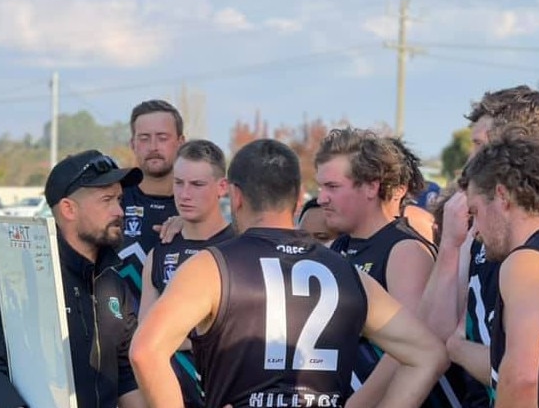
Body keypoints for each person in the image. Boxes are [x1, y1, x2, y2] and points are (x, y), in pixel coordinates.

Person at [130, 138, 448, 408]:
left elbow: (146, 351)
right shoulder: (346, 272)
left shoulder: (210, 267)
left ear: (235, 196)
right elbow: (428, 354)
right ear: (299, 199)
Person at [0, 150, 146, 408]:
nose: (119, 210)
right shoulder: (20, 280)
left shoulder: (114, 278)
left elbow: (125, 375)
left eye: (119, 199)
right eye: (106, 200)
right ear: (68, 209)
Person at [420, 85, 539, 407]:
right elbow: (433, 335)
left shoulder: (526, 256)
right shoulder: (479, 229)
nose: (470, 159)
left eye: (479, 145)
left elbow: (524, 377)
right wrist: (450, 245)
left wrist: (459, 348)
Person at [315, 127, 457, 407]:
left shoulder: (404, 251)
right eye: (320, 187)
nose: (321, 198)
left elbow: (408, 352)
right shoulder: (337, 248)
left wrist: (355, 404)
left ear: (371, 186)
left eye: (332, 187)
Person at [453, 133, 539, 407]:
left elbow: (524, 379)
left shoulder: (526, 263)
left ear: (502, 196)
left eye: (476, 212)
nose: (476, 230)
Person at [139, 139, 235, 408]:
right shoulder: (159, 254)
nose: (185, 194)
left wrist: (174, 337)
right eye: (178, 183)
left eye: (197, 185)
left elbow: (243, 337)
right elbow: (146, 337)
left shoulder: (241, 247)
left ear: (222, 188)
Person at [118, 99, 185, 311]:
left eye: (162, 138)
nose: (153, 147)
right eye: (144, 138)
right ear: (133, 144)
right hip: (120, 335)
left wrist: (194, 223)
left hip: (181, 338)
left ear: (181, 142)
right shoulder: (113, 199)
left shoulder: (198, 205)